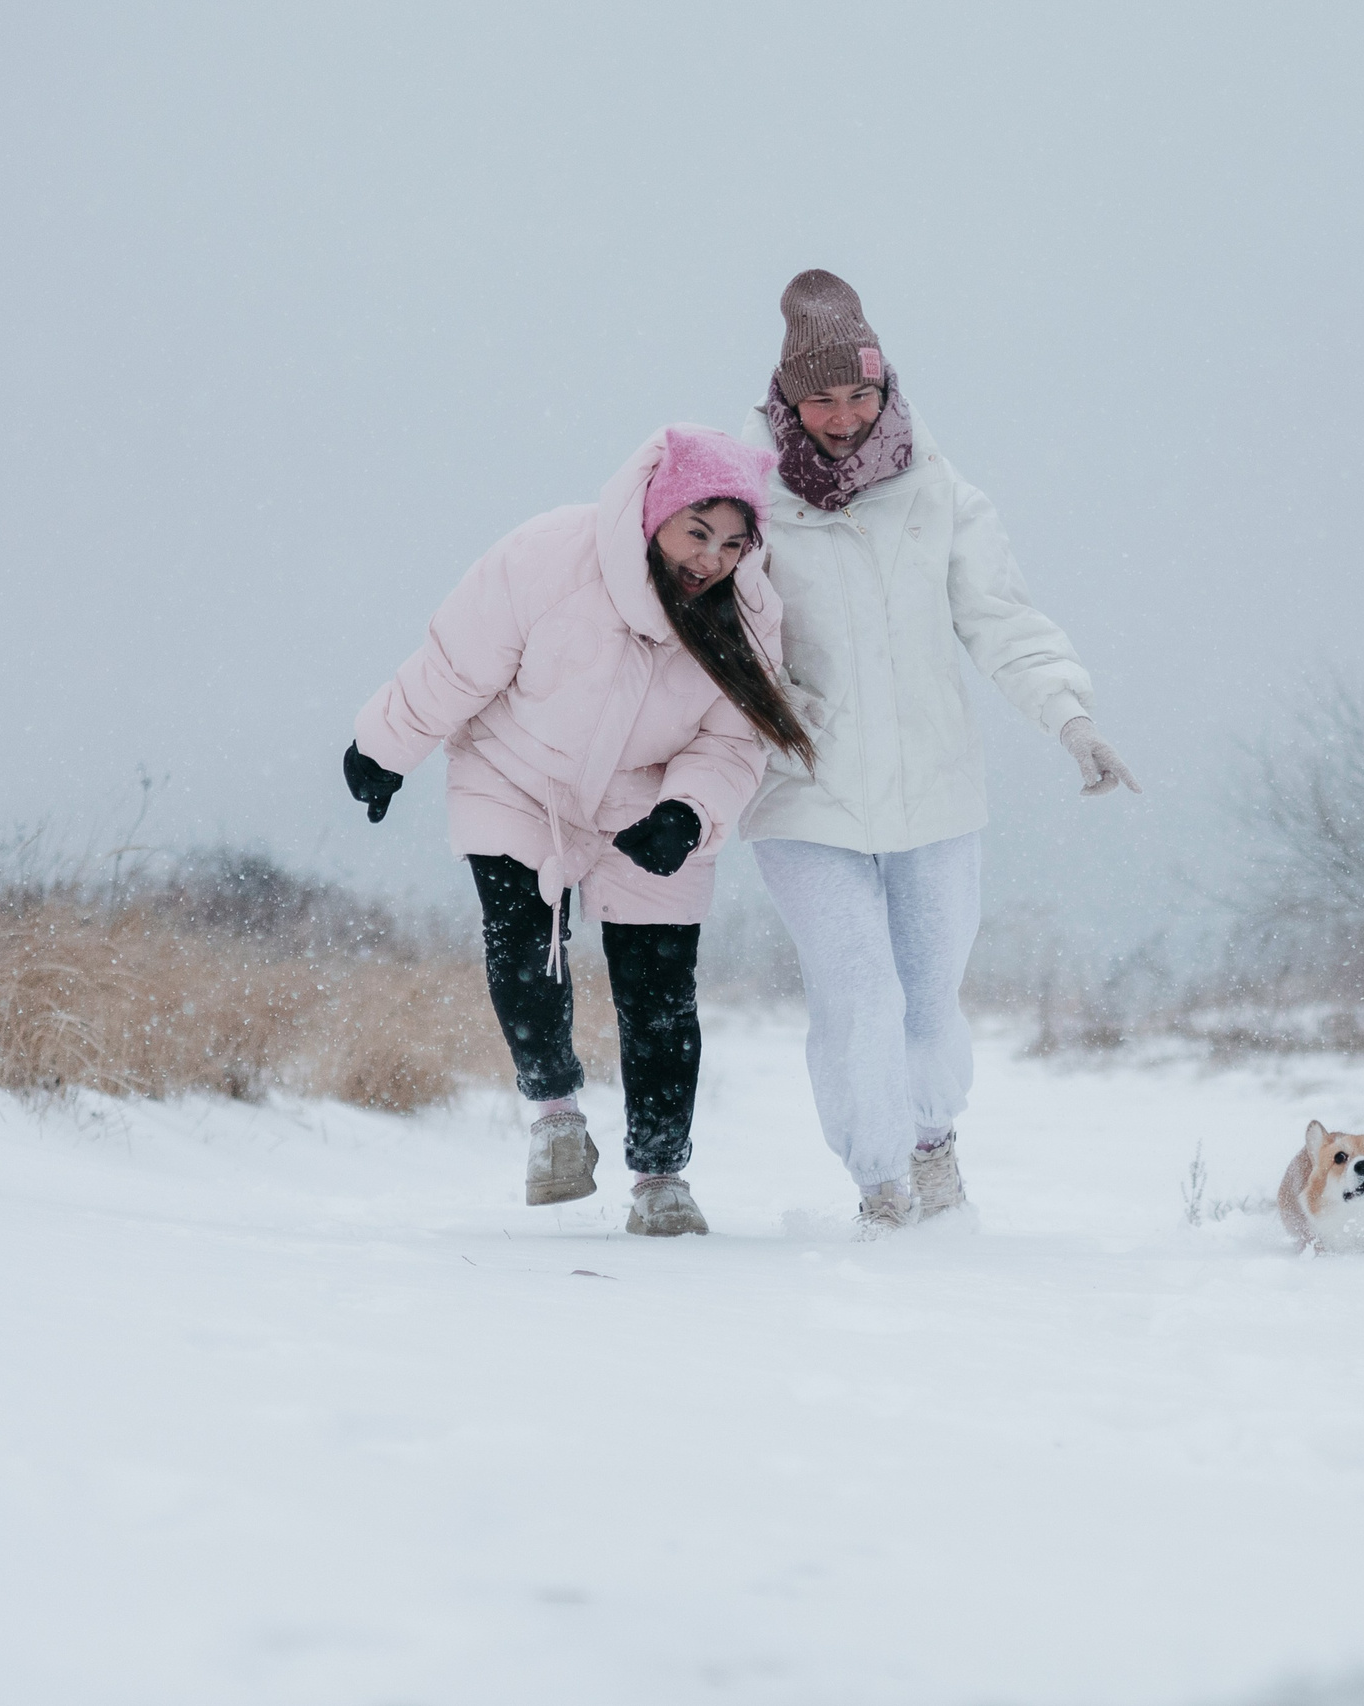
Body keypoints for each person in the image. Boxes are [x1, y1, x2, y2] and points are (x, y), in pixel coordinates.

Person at [740, 270, 1139, 1237]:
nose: (842, 417)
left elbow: (1000, 619)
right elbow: (708, 620)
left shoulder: (939, 489)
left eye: (860, 394)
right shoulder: (749, 494)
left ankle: (932, 1149)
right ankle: (879, 1182)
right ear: (787, 398)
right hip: (806, 791)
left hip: (935, 789)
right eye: (821, 398)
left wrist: (1070, 718)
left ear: (887, 389)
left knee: (927, 995)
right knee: (859, 995)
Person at [342, 425, 812, 1236]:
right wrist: (384, 747)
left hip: (648, 800)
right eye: (697, 533)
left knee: (659, 992)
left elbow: (736, 738)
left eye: (735, 544)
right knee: (522, 943)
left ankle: (661, 1176)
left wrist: (688, 813)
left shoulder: (749, 612)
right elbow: (458, 662)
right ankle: (556, 1117)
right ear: (655, 513)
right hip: (518, 774)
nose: (713, 559)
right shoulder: (553, 556)